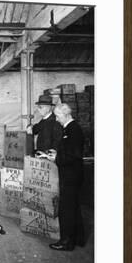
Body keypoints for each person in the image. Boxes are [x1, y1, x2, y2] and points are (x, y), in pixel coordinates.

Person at [41, 103, 85, 251]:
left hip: (71, 175)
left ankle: (66, 242)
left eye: (58, 116)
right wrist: (56, 153)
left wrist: (56, 159)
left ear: (66, 115)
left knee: (66, 209)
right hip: (72, 174)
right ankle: (78, 238)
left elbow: (73, 156)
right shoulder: (70, 129)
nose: (57, 119)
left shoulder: (73, 130)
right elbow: (69, 151)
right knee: (73, 207)